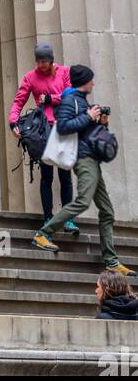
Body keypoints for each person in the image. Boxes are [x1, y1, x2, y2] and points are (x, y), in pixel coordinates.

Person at [32, 64, 135, 274]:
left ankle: (111, 261)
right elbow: (63, 126)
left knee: (107, 211)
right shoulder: (70, 100)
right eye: (91, 79)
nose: (93, 82)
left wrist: (101, 122)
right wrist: (88, 116)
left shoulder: (82, 101)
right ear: (83, 82)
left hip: (92, 159)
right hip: (83, 159)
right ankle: (42, 233)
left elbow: (86, 132)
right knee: (83, 201)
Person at [9, 42, 75, 227]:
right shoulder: (31, 77)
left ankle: (68, 218)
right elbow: (19, 101)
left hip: (62, 127)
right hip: (43, 131)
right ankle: (48, 216)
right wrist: (13, 121)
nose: (41, 65)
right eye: (38, 61)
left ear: (51, 60)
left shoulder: (64, 72)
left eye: (44, 61)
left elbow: (71, 95)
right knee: (47, 176)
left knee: (65, 175)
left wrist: (50, 99)